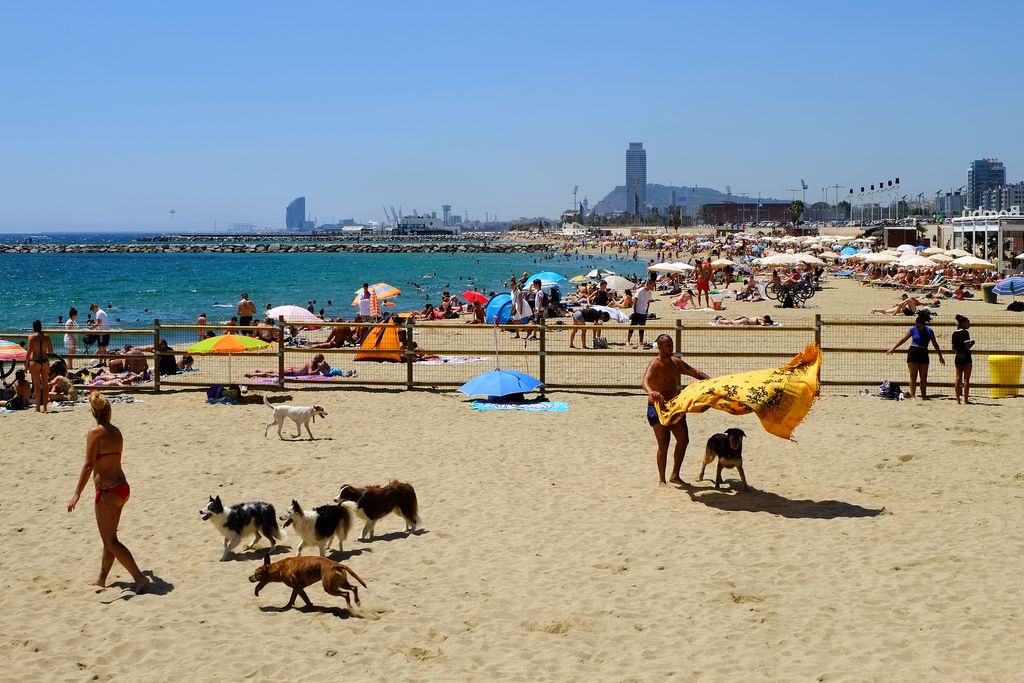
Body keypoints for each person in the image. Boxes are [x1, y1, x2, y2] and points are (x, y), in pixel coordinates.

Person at [67, 393, 149, 593]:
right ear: (108, 411)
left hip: (107, 492)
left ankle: (139, 578)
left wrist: (77, 493)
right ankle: (102, 578)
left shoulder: (95, 433)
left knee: (111, 540)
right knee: (109, 538)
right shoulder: (117, 432)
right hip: (122, 488)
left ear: (93, 412)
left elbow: (88, 465)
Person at [642, 334, 710, 485]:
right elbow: (644, 381)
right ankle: (662, 479)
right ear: (659, 347)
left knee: (683, 440)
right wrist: (651, 391)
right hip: (657, 407)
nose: (671, 348)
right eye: (667, 345)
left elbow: (695, 373)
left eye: (671, 345)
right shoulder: (654, 364)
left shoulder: (676, 362)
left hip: (675, 405)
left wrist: (712, 382)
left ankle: (675, 475)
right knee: (664, 442)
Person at [886, 312, 945, 400]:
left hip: (924, 352)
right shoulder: (913, 329)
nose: (917, 327)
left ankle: (923, 395)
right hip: (913, 352)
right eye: (916, 325)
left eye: (919, 326)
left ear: (923, 324)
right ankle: (913, 396)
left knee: (923, 377)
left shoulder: (929, 331)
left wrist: (940, 355)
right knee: (913, 376)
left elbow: (935, 344)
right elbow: (903, 339)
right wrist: (893, 347)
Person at [25, 320, 53, 413]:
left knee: (37, 386)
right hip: (45, 362)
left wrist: (26, 365)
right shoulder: (47, 337)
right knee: (45, 386)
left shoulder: (31, 337)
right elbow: (51, 351)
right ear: (41, 326)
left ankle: (37, 408)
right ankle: (45, 407)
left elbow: (29, 352)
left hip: (35, 362)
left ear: (33, 327)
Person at [951, 314, 975, 405]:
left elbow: (953, 348)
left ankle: (957, 399)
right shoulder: (965, 332)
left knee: (957, 378)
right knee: (966, 379)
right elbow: (967, 347)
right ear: (962, 323)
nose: (969, 323)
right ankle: (965, 399)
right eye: (967, 322)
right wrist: (972, 343)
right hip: (966, 356)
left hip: (958, 356)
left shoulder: (954, 333)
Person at [626, 278, 655, 348]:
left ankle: (640, 341)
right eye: (652, 285)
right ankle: (628, 341)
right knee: (632, 326)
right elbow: (635, 301)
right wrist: (635, 311)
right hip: (637, 311)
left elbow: (648, 302)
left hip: (643, 313)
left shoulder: (650, 293)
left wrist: (646, 311)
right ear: (648, 284)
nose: (653, 286)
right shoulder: (640, 290)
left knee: (642, 328)